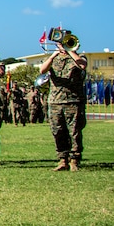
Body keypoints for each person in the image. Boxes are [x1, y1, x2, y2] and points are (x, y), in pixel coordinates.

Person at [38, 41, 87, 171]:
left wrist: (70, 51)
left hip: (73, 101)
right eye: (60, 44)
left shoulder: (78, 56)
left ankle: (75, 160)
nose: (62, 46)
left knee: (74, 132)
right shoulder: (52, 58)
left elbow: (82, 65)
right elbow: (42, 70)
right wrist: (53, 55)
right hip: (55, 101)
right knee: (58, 131)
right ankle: (62, 159)